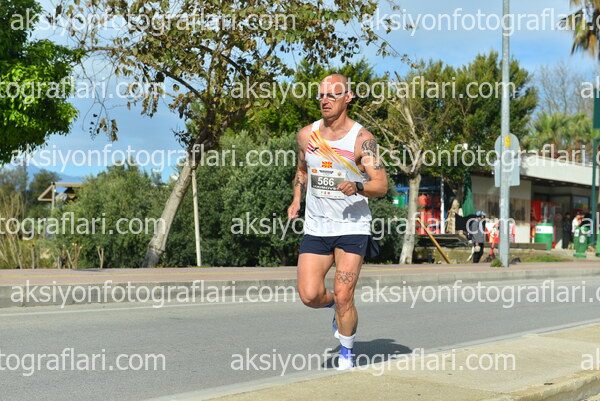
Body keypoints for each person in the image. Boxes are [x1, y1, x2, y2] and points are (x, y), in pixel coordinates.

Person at [287, 73, 388, 370]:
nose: (325, 100)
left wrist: (358, 186)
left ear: (348, 97)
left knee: (345, 295)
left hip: (352, 227)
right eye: (321, 95)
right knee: (309, 295)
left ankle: (346, 353)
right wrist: (296, 198)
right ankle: (335, 306)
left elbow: (381, 185)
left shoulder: (363, 140)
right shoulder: (307, 135)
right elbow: (302, 169)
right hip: (317, 226)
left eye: (332, 94)